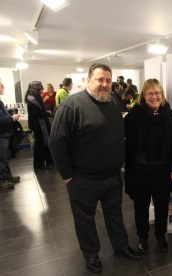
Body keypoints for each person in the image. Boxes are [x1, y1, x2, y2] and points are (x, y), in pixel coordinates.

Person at [49, 63, 141, 273]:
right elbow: (56, 142)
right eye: (100, 80)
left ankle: (120, 246)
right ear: (89, 80)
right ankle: (91, 255)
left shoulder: (111, 103)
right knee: (85, 220)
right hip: (83, 179)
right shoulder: (72, 106)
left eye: (108, 81)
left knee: (115, 215)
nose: (104, 84)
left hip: (112, 176)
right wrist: (67, 175)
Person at [124, 78, 172, 253]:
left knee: (162, 204)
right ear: (143, 96)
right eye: (149, 93)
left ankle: (160, 236)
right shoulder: (135, 115)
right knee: (141, 205)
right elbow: (122, 134)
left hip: (164, 170)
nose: (154, 96)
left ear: (162, 95)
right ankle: (142, 237)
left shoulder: (170, 115)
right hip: (140, 170)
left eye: (157, 92)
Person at [24, 81, 54, 170]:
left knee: (43, 144)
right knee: (39, 145)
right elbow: (39, 113)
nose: (43, 89)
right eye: (41, 87)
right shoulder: (32, 99)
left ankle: (47, 162)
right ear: (37, 88)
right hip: (38, 125)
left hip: (40, 124)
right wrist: (47, 113)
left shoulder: (36, 98)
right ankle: (39, 164)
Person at [0, 79, 20, 188]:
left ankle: (7, 176)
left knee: (5, 157)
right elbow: (1, 119)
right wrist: (12, 118)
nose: (3, 87)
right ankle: (2, 179)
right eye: (2, 85)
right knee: (2, 158)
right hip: (1, 134)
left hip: (4, 134)